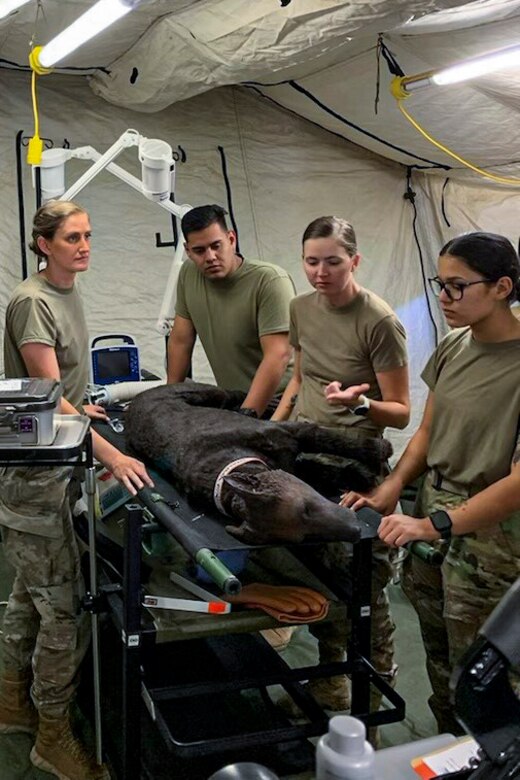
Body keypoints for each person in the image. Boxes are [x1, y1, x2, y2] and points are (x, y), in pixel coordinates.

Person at [0, 200, 154, 780]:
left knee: (27, 594)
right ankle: (51, 736)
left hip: (55, 459)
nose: (84, 245)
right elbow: (43, 393)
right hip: (33, 475)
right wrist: (112, 452)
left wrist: (79, 406)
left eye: (88, 235)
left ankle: (11, 704)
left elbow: (58, 387)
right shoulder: (32, 302)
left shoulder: (66, 292)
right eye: (71, 238)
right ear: (44, 244)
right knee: (63, 614)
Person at [343, 232, 520, 734]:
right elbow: (426, 432)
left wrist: (432, 525)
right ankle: (453, 752)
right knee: (442, 662)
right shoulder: (454, 346)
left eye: (457, 287)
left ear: (503, 286)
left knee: (488, 674)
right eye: (439, 285)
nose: (443, 299)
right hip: (435, 517)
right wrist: (393, 486)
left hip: (492, 538)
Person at [272, 215, 410, 715]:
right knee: (318, 577)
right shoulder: (300, 307)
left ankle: (373, 705)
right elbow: (299, 378)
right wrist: (276, 430)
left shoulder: (379, 321)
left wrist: (359, 405)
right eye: (311, 261)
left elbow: (401, 411)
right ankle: (332, 684)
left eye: (333, 261)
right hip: (306, 458)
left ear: (354, 260)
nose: (320, 272)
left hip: (355, 465)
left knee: (363, 589)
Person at [167, 204, 295, 417]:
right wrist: (169, 402)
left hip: (283, 405)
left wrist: (247, 415)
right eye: (199, 250)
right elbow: (180, 341)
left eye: (216, 246)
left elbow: (278, 355)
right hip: (235, 402)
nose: (210, 257)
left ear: (232, 239)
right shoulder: (188, 275)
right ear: (187, 251)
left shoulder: (270, 281)